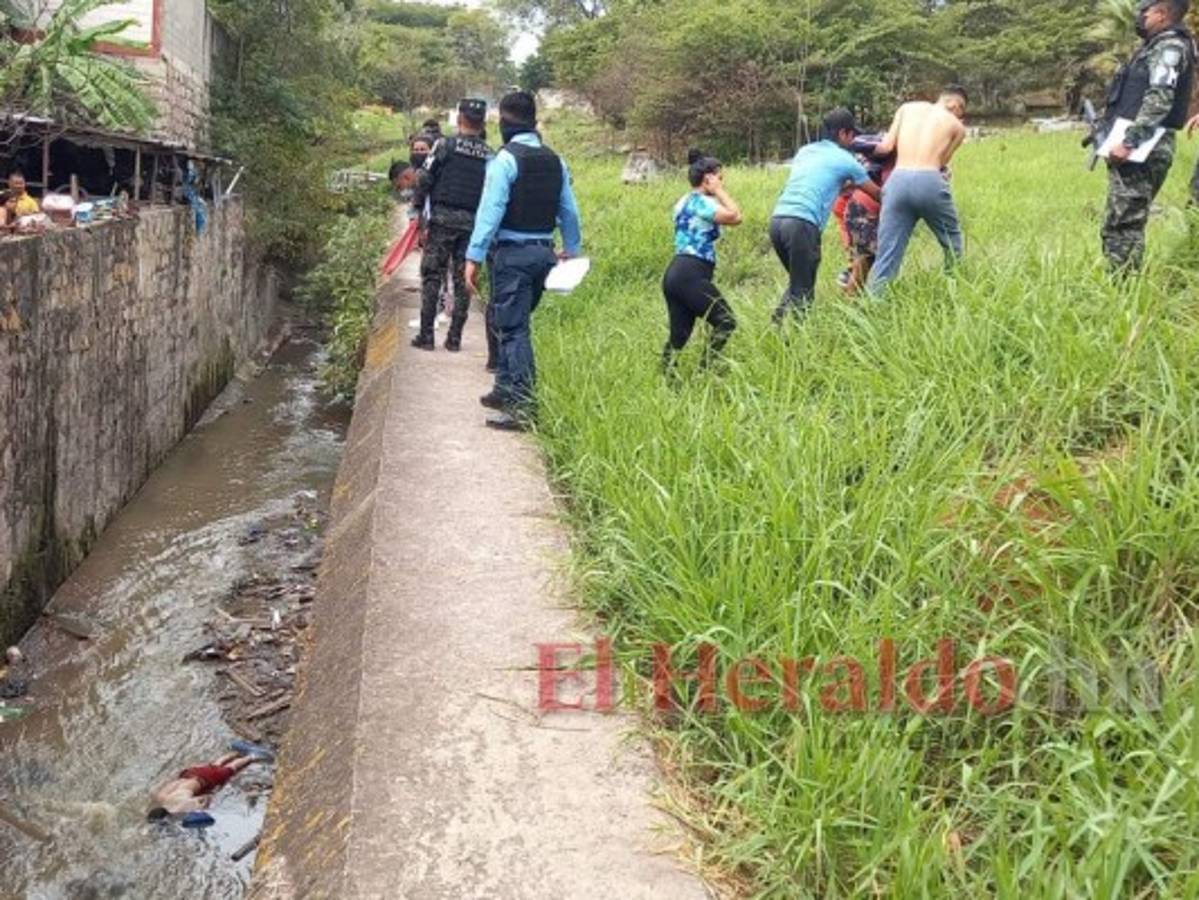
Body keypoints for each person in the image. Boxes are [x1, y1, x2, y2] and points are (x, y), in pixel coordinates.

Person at [464, 91, 583, 432]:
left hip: (512, 256)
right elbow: (569, 211)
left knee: (514, 329)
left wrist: (473, 256)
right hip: (544, 254)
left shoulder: (504, 160)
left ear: (503, 122)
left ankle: (523, 406)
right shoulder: (555, 160)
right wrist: (571, 249)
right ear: (535, 121)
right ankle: (503, 388)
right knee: (509, 320)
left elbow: (490, 212)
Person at [1099, 0, 1195, 271]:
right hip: (1142, 142)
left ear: (1162, 14)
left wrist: (1131, 141)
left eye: (1146, 11)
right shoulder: (1157, 45)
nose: (1140, 16)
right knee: (1119, 220)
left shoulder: (1170, 47)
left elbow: (1160, 99)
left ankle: (1123, 290)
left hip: (1145, 146)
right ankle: (1119, 281)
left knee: (1124, 223)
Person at [769, 108, 880, 322]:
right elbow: (876, 194)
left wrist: (841, 185)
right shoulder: (846, 160)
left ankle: (776, 325)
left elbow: (816, 180)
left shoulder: (805, 151)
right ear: (843, 134)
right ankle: (799, 345)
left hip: (778, 220)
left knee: (798, 279)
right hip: (802, 224)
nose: (854, 140)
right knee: (803, 291)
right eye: (852, 135)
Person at [865, 86, 969, 295]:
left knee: (887, 252)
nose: (961, 115)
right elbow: (942, 163)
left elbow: (885, 147)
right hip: (929, 180)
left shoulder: (907, 108)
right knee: (953, 243)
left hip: (897, 180)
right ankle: (955, 292)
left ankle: (873, 303)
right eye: (962, 111)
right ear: (955, 105)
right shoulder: (957, 127)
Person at [410, 99, 493, 352]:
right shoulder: (490, 154)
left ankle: (426, 336)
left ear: (459, 120)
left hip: (442, 220)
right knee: (462, 280)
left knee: (432, 275)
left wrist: (417, 209)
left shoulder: (444, 145)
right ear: (483, 123)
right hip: (472, 224)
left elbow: (424, 177)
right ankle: (455, 338)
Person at [661, 150, 742, 373]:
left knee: (679, 335)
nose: (721, 182)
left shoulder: (682, 201)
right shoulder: (702, 202)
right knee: (726, 321)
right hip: (690, 273)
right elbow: (736, 216)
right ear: (708, 178)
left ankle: (665, 376)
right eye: (719, 177)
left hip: (674, 274)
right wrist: (718, 191)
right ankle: (704, 371)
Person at [146, 750, 262, 819]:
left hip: (204, 779)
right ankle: (232, 753)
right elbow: (168, 782)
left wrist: (206, 805)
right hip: (188, 774)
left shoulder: (179, 808)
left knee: (231, 768)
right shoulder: (160, 796)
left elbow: (205, 798)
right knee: (213, 766)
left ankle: (252, 756)